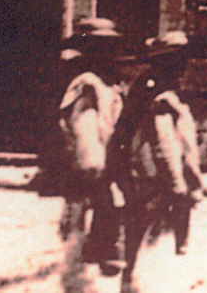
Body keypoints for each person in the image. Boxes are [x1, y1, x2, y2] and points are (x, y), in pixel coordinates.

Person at [118, 30, 204, 287]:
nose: (184, 66)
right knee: (151, 237)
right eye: (179, 60)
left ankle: (132, 280)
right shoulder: (160, 96)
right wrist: (177, 182)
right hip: (156, 175)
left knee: (142, 233)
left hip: (146, 171)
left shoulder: (155, 87)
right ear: (166, 62)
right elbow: (164, 143)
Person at [47, 17, 129, 279]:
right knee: (80, 216)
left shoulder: (109, 84)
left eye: (110, 48)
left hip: (105, 161)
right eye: (100, 48)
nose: (108, 55)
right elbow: (84, 125)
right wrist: (92, 162)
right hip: (89, 164)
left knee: (105, 209)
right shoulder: (87, 84)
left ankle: (97, 253)